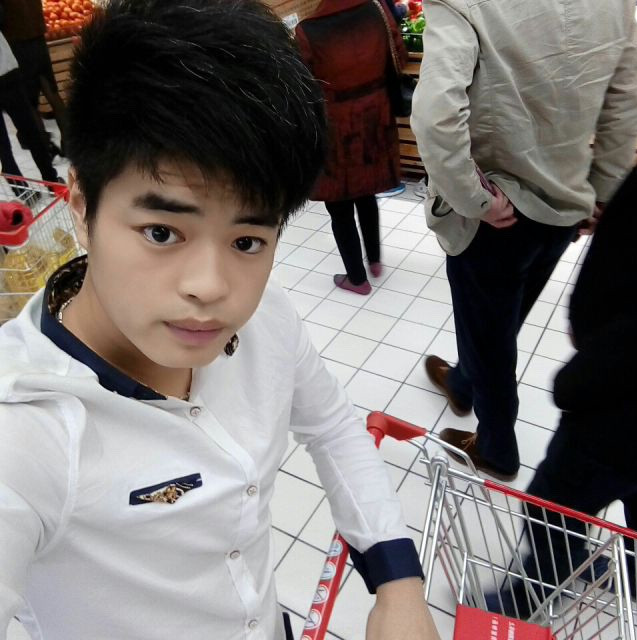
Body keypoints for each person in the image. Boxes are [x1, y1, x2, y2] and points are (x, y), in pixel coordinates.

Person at [0, 2, 440, 639]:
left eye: (247, 241)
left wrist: (398, 583)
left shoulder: (269, 320)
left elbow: (332, 426)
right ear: (82, 206)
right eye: (161, 231)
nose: (210, 288)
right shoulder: (27, 425)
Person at [411, 0, 637, 480]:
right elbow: (624, 105)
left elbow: (435, 117)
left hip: (498, 211)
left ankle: (496, 448)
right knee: (501, 318)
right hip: (565, 201)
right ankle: (462, 383)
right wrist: (603, 192)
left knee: (490, 329)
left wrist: (474, 200)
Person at [486, 160, 637, 619]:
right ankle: (632, 577)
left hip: (617, 411)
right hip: (619, 389)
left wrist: (572, 384)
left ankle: (534, 593)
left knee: (552, 507)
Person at [295, 0, 408, 295]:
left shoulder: (307, 31)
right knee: (367, 192)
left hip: (336, 127)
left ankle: (357, 280)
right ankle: (375, 261)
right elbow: (399, 54)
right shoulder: (376, 11)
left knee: (340, 207)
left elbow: (303, 89)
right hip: (375, 118)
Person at [0, 0, 67, 158]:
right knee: (51, 92)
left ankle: (45, 146)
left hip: (17, 42)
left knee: (30, 101)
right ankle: (69, 141)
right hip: (38, 38)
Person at [0, 31, 61, 188]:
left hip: (7, 70)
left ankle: (22, 189)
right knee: (30, 130)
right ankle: (51, 180)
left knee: (4, 143)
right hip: (6, 71)